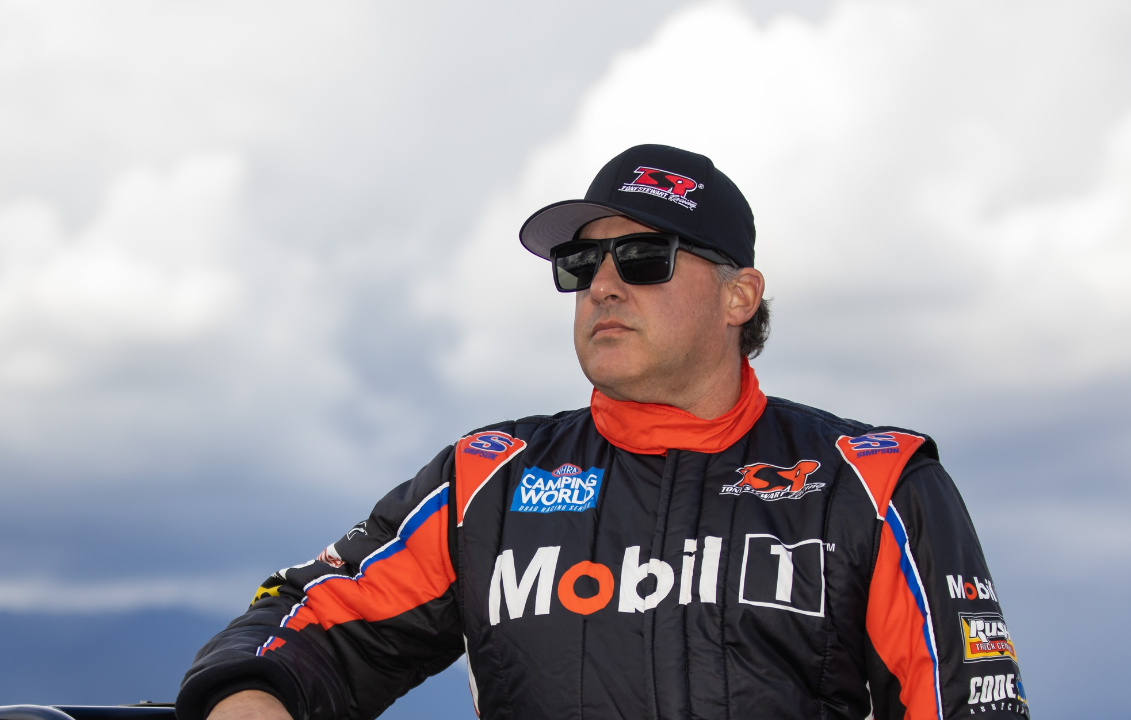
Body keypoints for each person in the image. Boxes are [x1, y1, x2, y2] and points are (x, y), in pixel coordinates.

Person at [176, 144, 1029, 720]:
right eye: (581, 265)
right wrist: (250, 699)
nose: (604, 286)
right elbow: (302, 616)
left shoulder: (872, 485)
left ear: (741, 297)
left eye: (645, 258)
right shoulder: (488, 480)